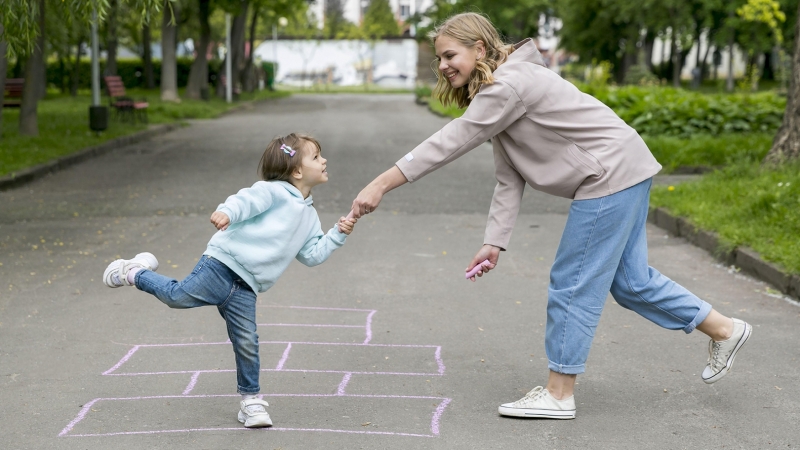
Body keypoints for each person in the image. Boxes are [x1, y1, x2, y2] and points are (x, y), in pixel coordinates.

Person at [350, 13, 751, 420]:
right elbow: (509, 175)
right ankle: (725, 329)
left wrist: (380, 183)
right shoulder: (505, 86)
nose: (443, 65)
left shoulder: (508, 85)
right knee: (631, 283)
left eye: (450, 55)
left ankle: (559, 394)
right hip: (626, 167)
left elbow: (450, 141)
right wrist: (495, 240)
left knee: (572, 282)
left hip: (609, 175)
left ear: (480, 49)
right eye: (439, 58)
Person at [102, 133, 357, 428]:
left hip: (247, 287)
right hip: (221, 265)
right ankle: (133, 271)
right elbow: (245, 200)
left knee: (247, 341)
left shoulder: (310, 217)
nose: (324, 160)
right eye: (316, 157)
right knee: (177, 297)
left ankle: (251, 402)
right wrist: (227, 211)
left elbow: (312, 255)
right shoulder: (272, 191)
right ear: (297, 171)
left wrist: (338, 234)